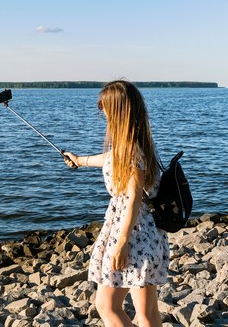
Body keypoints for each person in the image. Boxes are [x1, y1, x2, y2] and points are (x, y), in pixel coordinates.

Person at [63, 80, 169, 327]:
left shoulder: (130, 150)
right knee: (147, 312)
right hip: (148, 233)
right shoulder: (138, 145)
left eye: (106, 108)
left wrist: (121, 243)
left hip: (133, 234)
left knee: (107, 306)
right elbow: (110, 160)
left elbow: (133, 197)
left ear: (119, 111)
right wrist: (80, 160)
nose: (104, 114)